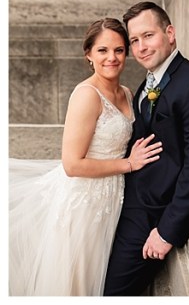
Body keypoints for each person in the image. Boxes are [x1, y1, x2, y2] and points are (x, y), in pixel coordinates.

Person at [9, 18, 163, 295]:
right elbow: (72, 164)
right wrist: (129, 164)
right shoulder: (86, 95)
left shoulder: (127, 93)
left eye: (118, 50)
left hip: (112, 197)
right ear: (89, 55)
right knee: (77, 281)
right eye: (102, 50)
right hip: (82, 203)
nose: (112, 58)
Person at [103, 2, 189, 295]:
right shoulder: (144, 86)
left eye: (148, 35)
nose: (141, 47)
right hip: (123, 205)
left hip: (153, 218)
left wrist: (167, 231)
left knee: (112, 293)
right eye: (134, 41)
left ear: (170, 33)